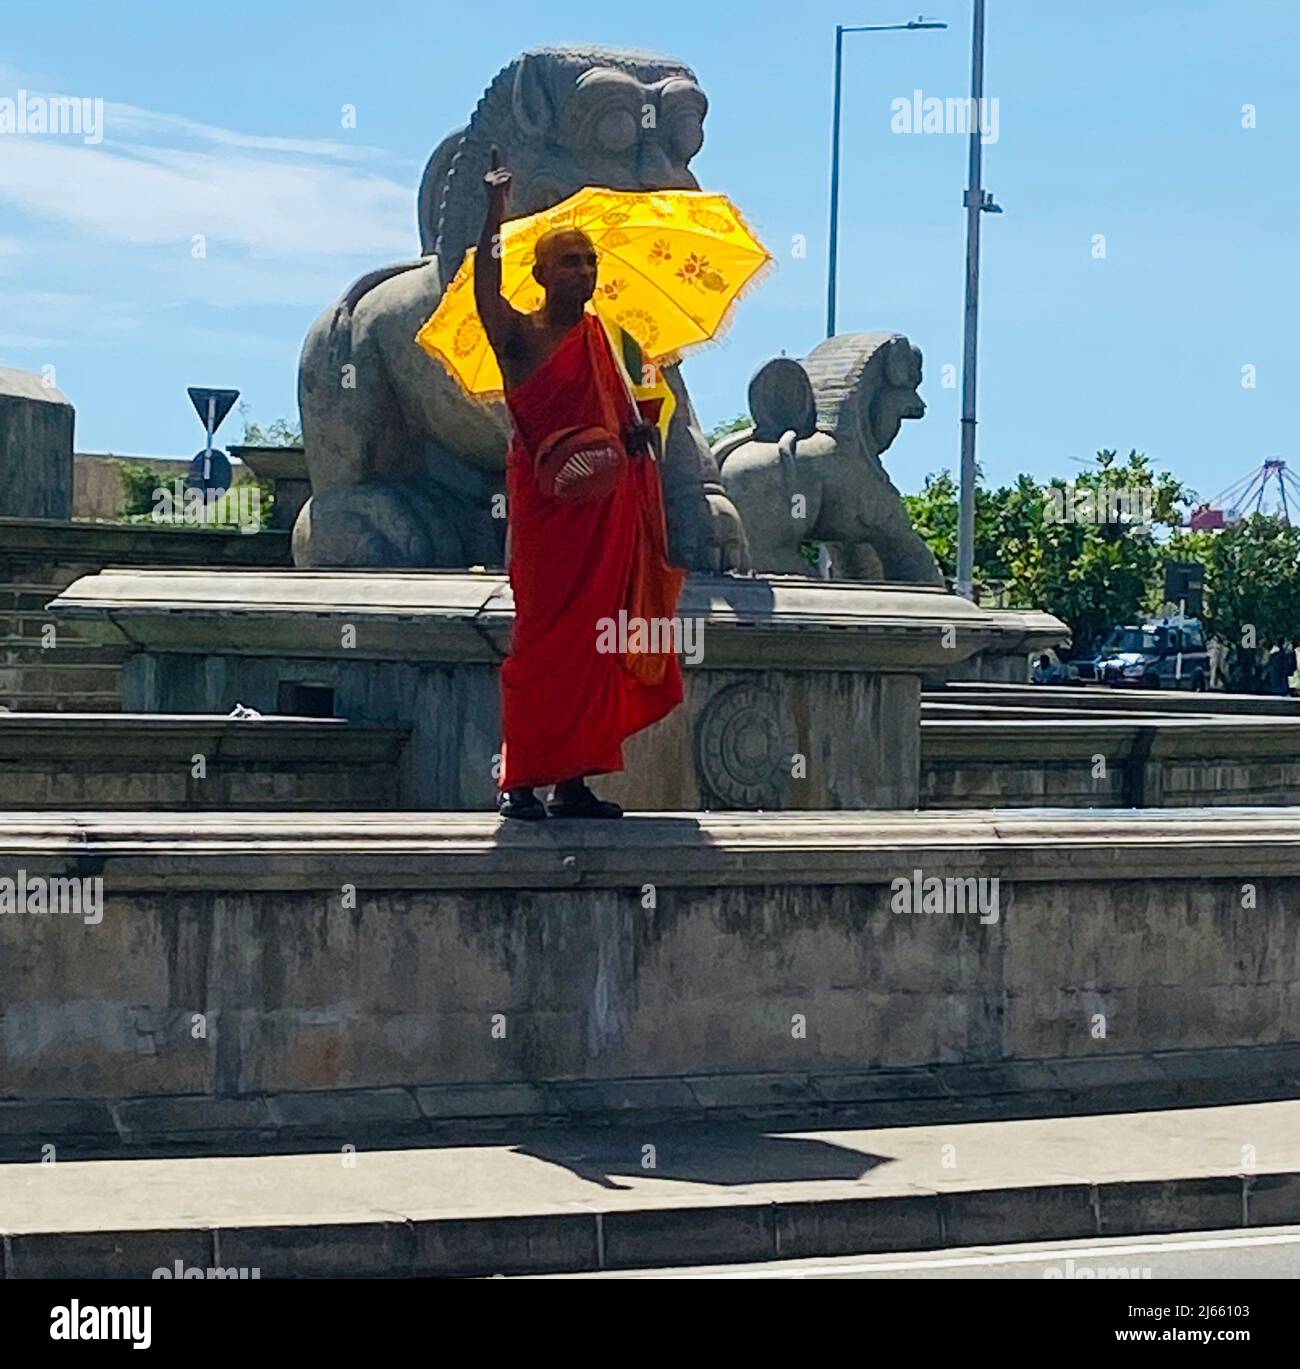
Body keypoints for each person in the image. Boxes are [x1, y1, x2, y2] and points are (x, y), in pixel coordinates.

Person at [475, 148, 684, 821]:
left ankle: (572, 783)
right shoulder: (518, 337)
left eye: (591, 261)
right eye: (571, 260)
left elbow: (616, 424)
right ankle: (520, 782)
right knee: (542, 641)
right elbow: (484, 284)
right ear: (539, 272)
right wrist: (495, 214)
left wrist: (636, 435)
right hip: (549, 513)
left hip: (604, 512)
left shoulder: (604, 338)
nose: (585, 272)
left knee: (599, 638)